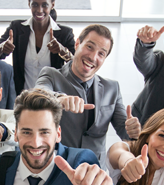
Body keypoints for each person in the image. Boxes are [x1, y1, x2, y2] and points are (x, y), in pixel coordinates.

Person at [35, 24, 138, 165]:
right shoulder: (51, 75)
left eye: (101, 53)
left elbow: (124, 131)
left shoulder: (112, 88)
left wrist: (133, 131)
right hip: (57, 166)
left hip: (94, 170)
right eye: (89, 47)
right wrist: (59, 98)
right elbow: (38, 93)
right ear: (77, 43)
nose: (93, 57)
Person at [0, 0, 75, 95]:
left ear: (52, 5)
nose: (39, 10)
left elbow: (77, 66)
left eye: (45, 5)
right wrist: (2, 48)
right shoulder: (16, 29)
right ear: (29, 3)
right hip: (23, 99)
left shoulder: (64, 33)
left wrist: (62, 50)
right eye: (35, 4)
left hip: (52, 101)